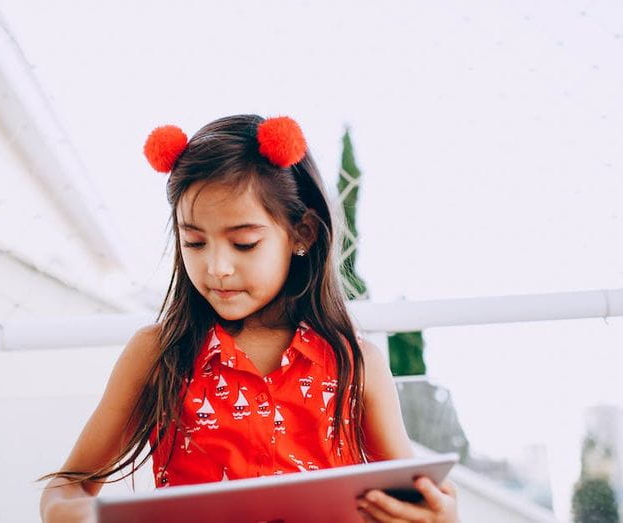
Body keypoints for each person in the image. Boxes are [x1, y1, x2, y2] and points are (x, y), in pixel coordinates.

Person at [38, 114, 459, 523]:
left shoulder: (356, 363)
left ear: (303, 235)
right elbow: (67, 486)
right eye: (194, 242)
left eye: (243, 244)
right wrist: (80, 515)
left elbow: (413, 494)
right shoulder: (157, 353)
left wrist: (438, 515)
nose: (217, 266)